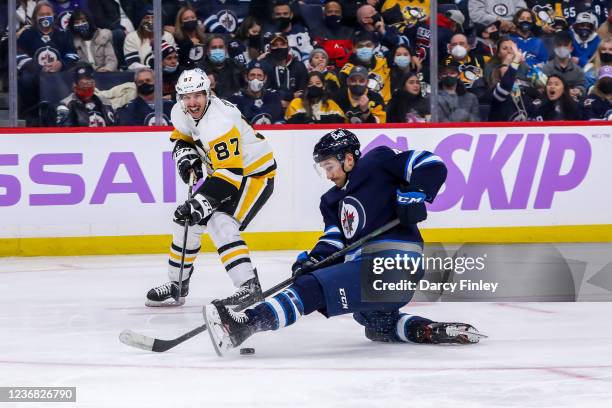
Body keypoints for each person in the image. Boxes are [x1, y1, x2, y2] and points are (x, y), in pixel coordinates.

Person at [202, 128, 482, 356]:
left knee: (311, 288)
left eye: (331, 166)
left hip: (394, 262)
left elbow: (430, 163)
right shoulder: (331, 200)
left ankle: (245, 325)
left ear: (349, 159)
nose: (328, 174)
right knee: (374, 323)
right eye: (323, 168)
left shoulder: (378, 162)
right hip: (379, 278)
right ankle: (425, 329)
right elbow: (334, 239)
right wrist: (315, 259)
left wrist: (417, 192)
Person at [145, 68, 277, 308]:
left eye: (197, 95)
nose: (192, 102)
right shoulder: (180, 111)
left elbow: (232, 174)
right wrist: (185, 156)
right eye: (186, 96)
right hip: (224, 174)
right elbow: (181, 138)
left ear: (208, 94)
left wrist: (200, 203)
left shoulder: (220, 121)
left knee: (220, 221)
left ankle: (248, 286)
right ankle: (177, 286)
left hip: (255, 175)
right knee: (186, 220)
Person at [339, 31, 392, 103]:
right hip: (365, 110)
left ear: (374, 46)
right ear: (354, 49)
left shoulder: (383, 61)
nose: (365, 49)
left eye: (368, 45)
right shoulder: (346, 72)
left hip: (388, 107)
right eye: (360, 46)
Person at [259, 33, 309, 109]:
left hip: (295, 108)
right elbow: (262, 92)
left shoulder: (299, 66)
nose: (279, 47)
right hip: (269, 107)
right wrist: (289, 96)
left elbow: (302, 93)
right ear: (269, 49)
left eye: (282, 44)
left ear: (288, 47)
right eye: (275, 45)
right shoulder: (263, 66)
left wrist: (290, 104)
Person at [123, 6, 176, 71]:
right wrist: (151, 70)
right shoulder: (131, 37)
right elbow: (132, 64)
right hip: (142, 76)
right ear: (141, 21)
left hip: (167, 73)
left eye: (153, 17)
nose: (150, 20)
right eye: (147, 17)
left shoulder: (167, 36)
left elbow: (174, 59)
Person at [542, 31, 586, 99]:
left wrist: (578, 90)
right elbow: (543, 88)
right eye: (559, 45)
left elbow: (582, 86)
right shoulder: (547, 68)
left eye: (565, 45)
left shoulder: (578, 70)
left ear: (571, 49)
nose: (562, 48)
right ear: (554, 48)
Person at [198, 34, 244, 99]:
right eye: (214, 47)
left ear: (226, 49)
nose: (218, 50)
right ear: (207, 50)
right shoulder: (200, 70)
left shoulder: (236, 65)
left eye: (221, 47)